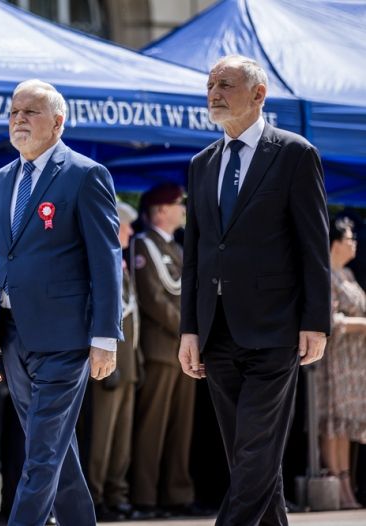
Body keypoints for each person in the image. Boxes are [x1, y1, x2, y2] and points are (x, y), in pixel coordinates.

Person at [179, 55, 330, 526]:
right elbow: (196, 255)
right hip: (216, 330)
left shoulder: (293, 153)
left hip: (275, 329)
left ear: (258, 94)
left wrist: (315, 322)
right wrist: (189, 329)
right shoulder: (201, 164)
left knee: (254, 453)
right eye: (210, 85)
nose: (214, 93)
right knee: (251, 460)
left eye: (225, 84)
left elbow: (314, 245)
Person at [0, 79, 122, 526]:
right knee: (55, 449)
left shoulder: (85, 175)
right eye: (14, 111)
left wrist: (105, 337)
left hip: (66, 337)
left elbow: (106, 261)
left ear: (57, 122)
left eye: (30, 112)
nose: (19, 118)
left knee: (39, 454)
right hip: (12, 335)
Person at [130, 183, 199, 518]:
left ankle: (176, 493)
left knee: (180, 427)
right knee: (152, 427)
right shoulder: (144, 245)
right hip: (161, 349)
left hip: (183, 350)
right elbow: (154, 299)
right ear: (159, 210)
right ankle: (145, 495)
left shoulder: (174, 246)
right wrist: (189, 331)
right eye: (177, 204)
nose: (183, 209)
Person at [83, 201, 139, 522]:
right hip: (106, 366)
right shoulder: (99, 262)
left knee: (120, 440)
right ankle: (96, 496)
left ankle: (115, 494)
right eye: (126, 225)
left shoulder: (121, 263)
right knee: (100, 439)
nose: (131, 231)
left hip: (128, 364)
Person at [318, 217, 366, 509]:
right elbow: (330, 321)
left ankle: (348, 485)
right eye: (350, 238)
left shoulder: (347, 274)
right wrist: (362, 324)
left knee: (347, 426)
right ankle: (335, 485)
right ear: (335, 243)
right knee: (332, 424)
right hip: (334, 360)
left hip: (354, 363)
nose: (354, 244)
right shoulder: (326, 275)